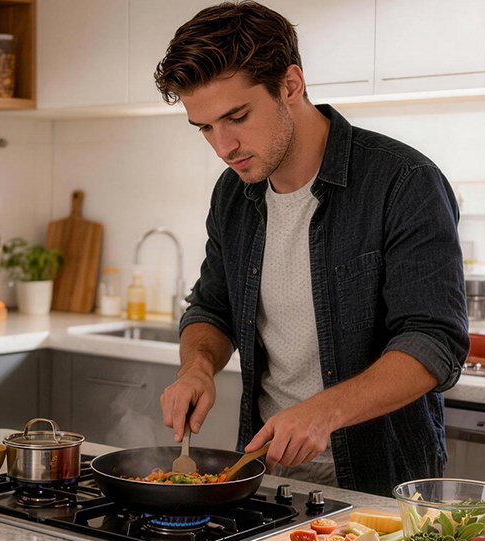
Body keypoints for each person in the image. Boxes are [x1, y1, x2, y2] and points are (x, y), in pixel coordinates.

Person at [154, 1, 469, 495]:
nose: (223, 146)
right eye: (206, 128)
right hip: (266, 483)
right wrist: (197, 369)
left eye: (236, 117)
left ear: (290, 85)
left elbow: (435, 342)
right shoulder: (232, 192)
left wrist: (323, 413)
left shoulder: (404, 182)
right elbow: (213, 308)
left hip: (380, 487)